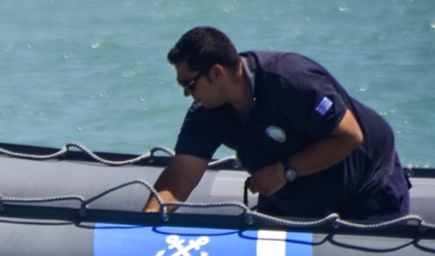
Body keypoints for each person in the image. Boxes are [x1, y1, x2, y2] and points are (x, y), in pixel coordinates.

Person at [149, 26, 410, 221]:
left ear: (217, 73)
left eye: (189, 83)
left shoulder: (291, 81)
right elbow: (179, 177)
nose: (186, 93)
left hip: (366, 188)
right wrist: (148, 220)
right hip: (296, 198)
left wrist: (284, 171)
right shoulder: (205, 112)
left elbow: (350, 136)